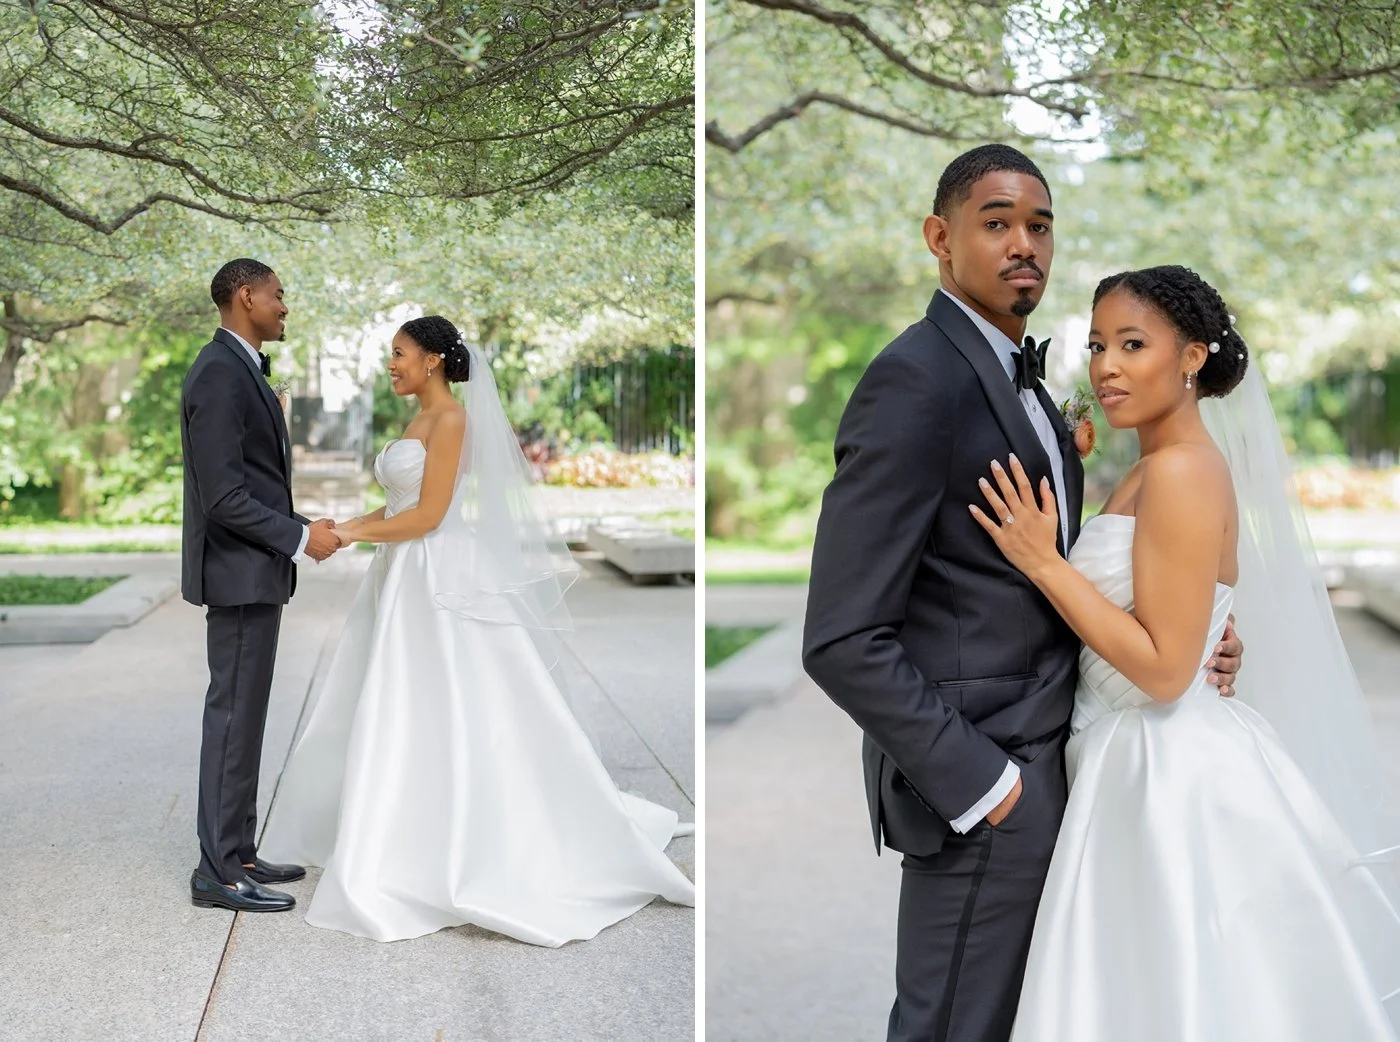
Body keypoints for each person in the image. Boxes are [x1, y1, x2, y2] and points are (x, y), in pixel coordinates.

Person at [801, 145, 1245, 1042]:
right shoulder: (913, 380)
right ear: (940, 237)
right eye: (995, 222)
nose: (1023, 244)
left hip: (1073, 766)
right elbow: (842, 635)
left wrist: (1200, 638)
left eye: (1038, 225)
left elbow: (1067, 577)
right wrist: (986, 785)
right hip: (985, 790)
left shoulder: (1031, 388)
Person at [971, 265, 1400, 1041]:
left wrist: (1044, 562)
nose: (1106, 365)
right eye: (1099, 343)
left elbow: (1168, 672)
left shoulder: (1181, 472)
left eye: (1133, 344)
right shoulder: (1152, 468)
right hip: (1120, 752)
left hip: (1162, 773)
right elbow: (1175, 614)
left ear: (1192, 356)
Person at [258, 315, 695, 945]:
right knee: (401, 703)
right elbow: (403, 506)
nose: (391, 365)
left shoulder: (454, 420)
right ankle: (402, 824)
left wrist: (349, 535)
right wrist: (345, 523)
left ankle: (475, 838)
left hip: (438, 574)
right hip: (402, 573)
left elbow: (432, 516)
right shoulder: (417, 418)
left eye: (400, 353)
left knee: (456, 699)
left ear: (433, 359)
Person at [182, 258, 339, 914]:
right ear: (245, 296)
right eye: (278, 296)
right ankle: (216, 871)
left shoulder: (238, 367)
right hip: (239, 574)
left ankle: (239, 849)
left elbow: (251, 484)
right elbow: (225, 497)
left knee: (245, 719)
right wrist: (301, 538)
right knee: (231, 718)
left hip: (254, 574)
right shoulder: (219, 372)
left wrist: (302, 529)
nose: (285, 307)